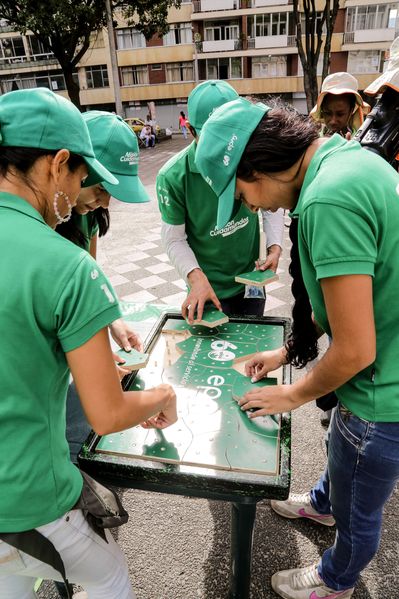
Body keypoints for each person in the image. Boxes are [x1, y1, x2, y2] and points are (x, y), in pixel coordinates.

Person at [195, 96, 399, 599]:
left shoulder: (328, 199)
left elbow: (354, 350)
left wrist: (292, 394)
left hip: (381, 395)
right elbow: (352, 303)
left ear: (257, 167)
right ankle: (326, 502)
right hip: (383, 365)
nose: (250, 207)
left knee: (361, 509)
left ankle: (336, 580)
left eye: (241, 195)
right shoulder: (347, 160)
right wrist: (288, 354)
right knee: (342, 469)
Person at [0, 87, 177, 599]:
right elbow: (107, 413)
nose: (88, 193)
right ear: (58, 164)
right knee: (109, 577)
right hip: (29, 495)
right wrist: (163, 396)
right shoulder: (64, 262)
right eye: (83, 176)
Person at [56, 111, 151, 466]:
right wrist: (90, 360)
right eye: (100, 188)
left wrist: (113, 319)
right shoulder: (41, 221)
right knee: (67, 431)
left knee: (85, 424)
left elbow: (90, 274)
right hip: (46, 360)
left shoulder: (89, 213)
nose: (106, 202)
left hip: (69, 343)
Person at [156, 80, 284, 323]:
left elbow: (271, 202)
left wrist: (274, 246)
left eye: (230, 137)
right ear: (192, 131)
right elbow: (173, 238)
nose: (224, 150)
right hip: (207, 289)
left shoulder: (250, 153)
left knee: (249, 349)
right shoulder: (173, 176)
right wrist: (195, 278)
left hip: (250, 282)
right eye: (213, 138)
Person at [310, 71, 370, 138]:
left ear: (351, 110)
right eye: (328, 113)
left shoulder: (361, 141)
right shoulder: (312, 139)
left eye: (340, 114)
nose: (333, 121)